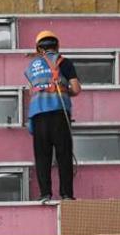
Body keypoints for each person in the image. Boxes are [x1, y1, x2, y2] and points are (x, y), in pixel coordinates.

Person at [25, 30, 81, 202]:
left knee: (42, 157)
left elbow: (30, 90)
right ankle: (66, 195)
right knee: (63, 155)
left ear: (38, 48)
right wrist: (65, 90)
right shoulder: (64, 63)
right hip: (59, 112)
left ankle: (45, 194)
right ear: (56, 46)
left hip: (38, 115)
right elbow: (76, 89)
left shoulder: (31, 67)